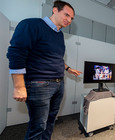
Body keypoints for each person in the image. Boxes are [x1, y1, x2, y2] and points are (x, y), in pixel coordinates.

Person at [6, 1, 82, 140]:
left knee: (51, 121)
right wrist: (19, 86)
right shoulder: (31, 25)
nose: (69, 20)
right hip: (39, 84)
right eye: (66, 15)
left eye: (71, 18)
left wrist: (68, 68)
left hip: (59, 85)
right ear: (54, 10)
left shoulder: (59, 35)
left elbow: (54, 57)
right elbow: (16, 54)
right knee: (38, 126)